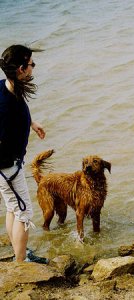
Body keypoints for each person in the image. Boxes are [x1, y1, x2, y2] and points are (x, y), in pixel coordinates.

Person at [0, 44, 48, 264]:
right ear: (21, 68)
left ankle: (19, 253)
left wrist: (31, 123)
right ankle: (20, 264)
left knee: (13, 207)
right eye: (31, 64)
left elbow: (17, 116)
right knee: (24, 213)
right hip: (7, 166)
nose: (33, 69)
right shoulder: (7, 104)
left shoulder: (5, 86)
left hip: (7, 166)